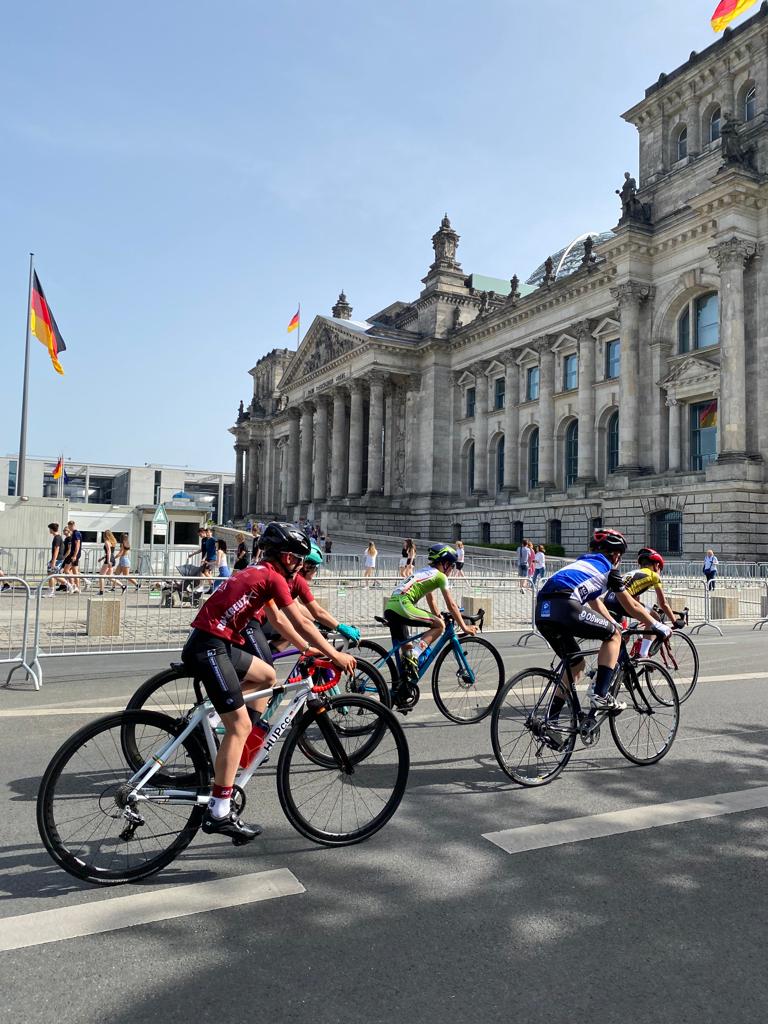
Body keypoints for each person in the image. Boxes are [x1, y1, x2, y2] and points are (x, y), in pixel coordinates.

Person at [181, 522, 356, 843]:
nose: (302, 567)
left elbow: (276, 619)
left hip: (214, 642)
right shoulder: (272, 577)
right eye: (300, 560)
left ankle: (220, 719)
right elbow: (298, 619)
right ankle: (219, 811)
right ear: (288, 557)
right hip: (209, 647)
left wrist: (307, 649)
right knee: (240, 728)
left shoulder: (261, 571)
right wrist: (334, 654)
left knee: (265, 674)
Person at [536, 528, 672, 716]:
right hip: (565, 605)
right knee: (613, 636)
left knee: (576, 665)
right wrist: (656, 625)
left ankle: (550, 720)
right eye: (620, 556)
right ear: (616, 554)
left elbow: (595, 601)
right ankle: (601, 694)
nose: (619, 560)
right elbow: (631, 605)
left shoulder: (583, 564)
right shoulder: (610, 570)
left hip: (542, 610)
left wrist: (612, 622)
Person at [384, 544, 477, 707]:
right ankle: (415, 653)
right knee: (439, 626)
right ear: (445, 563)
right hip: (403, 605)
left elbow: (431, 599)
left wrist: (437, 615)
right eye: (452, 565)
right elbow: (452, 605)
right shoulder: (440, 576)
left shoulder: (424, 572)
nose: (452, 569)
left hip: (393, 606)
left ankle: (401, 690)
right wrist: (465, 627)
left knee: (406, 651)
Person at [252, 542, 361, 655]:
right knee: (292, 632)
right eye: (316, 568)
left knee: (290, 633)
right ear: (307, 567)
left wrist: (318, 623)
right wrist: (339, 626)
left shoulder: (292, 579)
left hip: (261, 617)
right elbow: (317, 611)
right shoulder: (299, 581)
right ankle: (265, 658)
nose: (316, 572)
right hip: (256, 620)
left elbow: (298, 607)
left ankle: (267, 657)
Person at [604, 547, 682, 657]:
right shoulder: (654, 576)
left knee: (621, 636)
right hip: (621, 601)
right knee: (654, 617)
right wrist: (675, 621)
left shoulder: (633, 573)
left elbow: (635, 598)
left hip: (609, 600)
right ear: (657, 566)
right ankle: (643, 655)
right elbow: (663, 603)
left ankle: (616, 663)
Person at [44, 523, 64, 596]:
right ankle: (51, 589)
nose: (49, 530)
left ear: (52, 529)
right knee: (51, 574)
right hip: (56, 559)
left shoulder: (57, 538)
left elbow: (57, 549)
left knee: (52, 575)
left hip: (57, 559)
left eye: (49, 529)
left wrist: (53, 561)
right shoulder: (57, 537)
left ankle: (69, 585)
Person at [62, 520, 82, 593]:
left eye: (70, 526)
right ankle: (77, 587)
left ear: (72, 525)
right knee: (75, 572)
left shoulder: (76, 533)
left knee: (66, 570)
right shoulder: (75, 533)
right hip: (74, 555)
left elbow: (78, 545)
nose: (69, 528)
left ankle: (73, 585)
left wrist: (74, 555)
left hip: (74, 555)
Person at [98, 530, 118, 595]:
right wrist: (102, 558)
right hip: (112, 558)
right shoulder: (113, 542)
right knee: (110, 576)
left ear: (105, 535)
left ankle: (101, 591)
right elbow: (109, 552)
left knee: (101, 575)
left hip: (109, 559)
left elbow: (108, 551)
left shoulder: (107, 542)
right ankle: (122, 586)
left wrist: (108, 560)